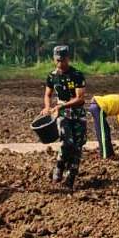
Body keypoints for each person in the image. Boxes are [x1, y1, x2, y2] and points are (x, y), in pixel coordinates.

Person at [43, 45, 88, 188]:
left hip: (77, 114)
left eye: (62, 60)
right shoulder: (52, 76)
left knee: (77, 147)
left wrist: (62, 105)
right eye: (57, 60)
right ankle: (59, 166)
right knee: (67, 142)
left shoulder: (77, 75)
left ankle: (71, 177)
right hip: (62, 114)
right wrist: (47, 107)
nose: (60, 63)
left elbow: (80, 98)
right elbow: (48, 94)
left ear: (68, 58)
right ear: (54, 59)